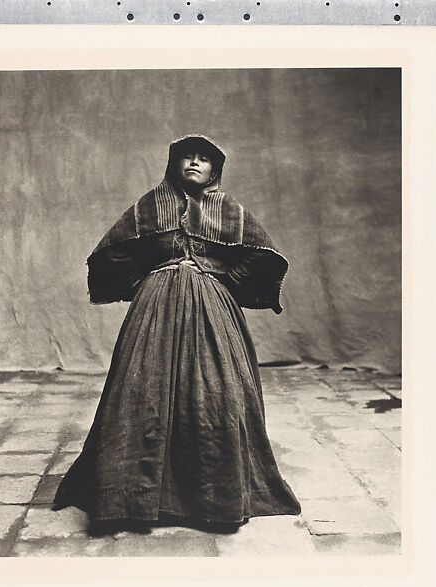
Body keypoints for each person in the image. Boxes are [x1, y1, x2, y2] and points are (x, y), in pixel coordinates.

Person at [53, 134, 301, 535]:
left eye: (204, 159)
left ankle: (213, 498)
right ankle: (132, 498)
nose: (195, 163)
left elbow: (263, 254)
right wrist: (144, 282)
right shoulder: (150, 205)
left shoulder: (230, 210)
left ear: (214, 170)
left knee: (217, 392)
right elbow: (112, 251)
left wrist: (225, 278)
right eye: (187, 156)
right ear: (174, 164)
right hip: (156, 307)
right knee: (141, 392)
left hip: (211, 305)